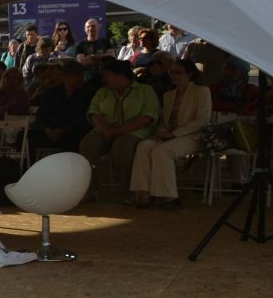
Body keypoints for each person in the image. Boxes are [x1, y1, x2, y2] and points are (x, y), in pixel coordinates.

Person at [129, 60, 212, 208]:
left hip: (194, 136)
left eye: (178, 72)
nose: (173, 75)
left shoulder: (202, 91)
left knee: (162, 151)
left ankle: (168, 197)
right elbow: (165, 121)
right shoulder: (169, 95)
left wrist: (174, 134)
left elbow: (202, 120)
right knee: (144, 146)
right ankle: (143, 194)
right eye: (171, 72)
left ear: (190, 73)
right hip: (170, 136)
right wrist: (162, 131)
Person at [80, 60, 158, 191]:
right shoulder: (103, 92)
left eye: (107, 75)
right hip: (105, 130)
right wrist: (106, 130)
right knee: (88, 144)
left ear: (120, 75)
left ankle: (129, 190)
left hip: (135, 131)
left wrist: (119, 131)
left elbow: (148, 117)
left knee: (122, 148)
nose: (104, 79)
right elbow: (94, 113)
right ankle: (90, 189)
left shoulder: (145, 90)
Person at [28, 62, 94, 158]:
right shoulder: (53, 92)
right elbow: (41, 114)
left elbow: (84, 116)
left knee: (76, 138)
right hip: (50, 128)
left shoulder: (88, 93)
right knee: (26, 136)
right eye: (74, 75)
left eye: (80, 75)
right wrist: (48, 129)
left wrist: (63, 129)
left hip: (74, 130)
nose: (79, 78)